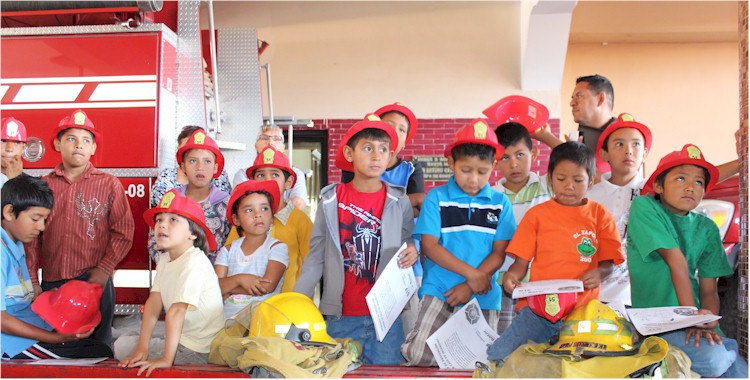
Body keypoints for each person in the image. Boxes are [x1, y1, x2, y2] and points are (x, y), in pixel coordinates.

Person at [293, 115, 418, 365]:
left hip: (387, 318)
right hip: (342, 316)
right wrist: (296, 302)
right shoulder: (331, 200)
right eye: (368, 148)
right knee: (341, 372)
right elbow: (316, 256)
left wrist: (415, 248)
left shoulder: (399, 201)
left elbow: (408, 243)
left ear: (391, 155)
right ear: (349, 154)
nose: (376, 156)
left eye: (383, 149)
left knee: (386, 374)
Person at [486, 141, 624, 365]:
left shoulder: (600, 215)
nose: (569, 186)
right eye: (561, 179)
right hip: (539, 310)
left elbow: (608, 263)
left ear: (591, 181)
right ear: (550, 179)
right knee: (498, 356)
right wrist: (512, 277)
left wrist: (599, 273)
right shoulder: (537, 215)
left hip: (583, 313)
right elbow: (520, 263)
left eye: (578, 180)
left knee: (581, 364)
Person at [401, 119, 516, 366]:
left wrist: (473, 284)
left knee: (479, 362)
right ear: (451, 162)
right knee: (420, 355)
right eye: (466, 170)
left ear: (494, 166)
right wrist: (472, 276)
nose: (473, 179)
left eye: (482, 172)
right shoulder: (437, 198)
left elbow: (499, 252)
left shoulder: (500, 203)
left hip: (483, 293)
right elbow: (430, 247)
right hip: (440, 289)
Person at [627, 144, 748, 378]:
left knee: (739, 373)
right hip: (657, 326)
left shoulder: (707, 228)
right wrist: (693, 319)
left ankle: (726, 347)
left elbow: (709, 291)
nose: (691, 187)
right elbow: (676, 260)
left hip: (695, 323)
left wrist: (707, 322)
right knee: (715, 361)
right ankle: (728, 348)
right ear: (659, 186)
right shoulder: (645, 207)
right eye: (681, 178)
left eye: (699, 182)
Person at [25, 109, 135, 348]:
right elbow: (32, 239)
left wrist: (104, 270)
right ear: (57, 143)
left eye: (86, 140)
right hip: (53, 282)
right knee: (56, 348)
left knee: (99, 347)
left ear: (94, 148)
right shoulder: (44, 186)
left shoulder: (108, 184)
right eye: (71, 138)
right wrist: (34, 280)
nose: (79, 145)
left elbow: (124, 231)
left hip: (94, 281)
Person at [2, 175, 113, 360]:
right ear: (9, 212)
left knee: (96, 346)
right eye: (35, 218)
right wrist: (54, 338)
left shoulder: (16, 245)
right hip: (10, 344)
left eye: (44, 220)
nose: (42, 227)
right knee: (96, 352)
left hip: (28, 331)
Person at [117, 189, 224, 376]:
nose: (162, 226)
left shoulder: (195, 262)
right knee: (126, 345)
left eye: (173, 220)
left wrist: (167, 359)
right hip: (179, 340)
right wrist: (142, 348)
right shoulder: (166, 259)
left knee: (122, 346)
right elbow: (153, 304)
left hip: (197, 350)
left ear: (193, 234)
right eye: (159, 220)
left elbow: (176, 311)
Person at [491, 122, 553, 334]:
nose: (513, 164)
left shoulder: (548, 186)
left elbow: (573, 159)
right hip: (502, 282)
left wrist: (545, 136)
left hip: (541, 283)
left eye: (520, 155)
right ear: (495, 162)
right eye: (505, 158)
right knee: (503, 340)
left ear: (534, 153)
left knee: (538, 342)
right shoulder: (491, 195)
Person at [586, 113, 651, 306]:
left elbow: (693, 176)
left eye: (636, 144)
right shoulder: (589, 196)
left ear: (645, 154)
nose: (629, 151)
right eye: (619, 144)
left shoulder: (654, 191)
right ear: (604, 154)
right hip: (595, 296)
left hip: (640, 298)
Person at [149, 129, 230, 264]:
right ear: (183, 166)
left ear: (216, 168)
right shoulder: (170, 199)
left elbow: (232, 246)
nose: (200, 167)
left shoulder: (226, 203)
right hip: (174, 277)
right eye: (193, 161)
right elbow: (154, 242)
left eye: (207, 161)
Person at [215, 180, 289, 320]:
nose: (257, 214)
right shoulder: (227, 251)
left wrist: (229, 287)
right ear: (236, 219)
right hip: (227, 322)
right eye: (249, 210)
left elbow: (266, 286)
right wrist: (241, 279)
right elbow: (215, 288)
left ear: (272, 217)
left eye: (264, 209)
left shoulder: (277, 248)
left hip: (263, 322)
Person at [245, 146, 312, 292]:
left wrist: (303, 301)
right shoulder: (245, 218)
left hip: (288, 305)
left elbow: (311, 266)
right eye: (261, 175)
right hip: (247, 306)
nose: (268, 180)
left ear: (288, 182)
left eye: (275, 175)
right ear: (253, 181)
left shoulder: (300, 220)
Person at [342, 103, 425, 216]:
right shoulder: (354, 164)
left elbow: (417, 209)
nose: (395, 132)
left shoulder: (411, 169)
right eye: (389, 125)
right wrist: (404, 203)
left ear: (405, 142)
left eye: (402, 130)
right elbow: (350, 205)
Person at [150, 125, 232, 208]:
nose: (200, 167)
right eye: (188, 147)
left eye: (207, 161)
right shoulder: (167, 175)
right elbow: (160, 206)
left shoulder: (220, 177)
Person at [233, 125, 308, 212]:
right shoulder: (243, 174)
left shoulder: (296, 174)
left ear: (283, 147)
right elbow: (242, 206)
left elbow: (298, 204)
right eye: (264, 138)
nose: (270, 142)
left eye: (276, 138)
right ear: (256, 146)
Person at [1, 117, 27, 188]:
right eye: (3, 141)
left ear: (23, 148)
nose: (9, 149)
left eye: (16, 142)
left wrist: (15, 181)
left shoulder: (33, 187)